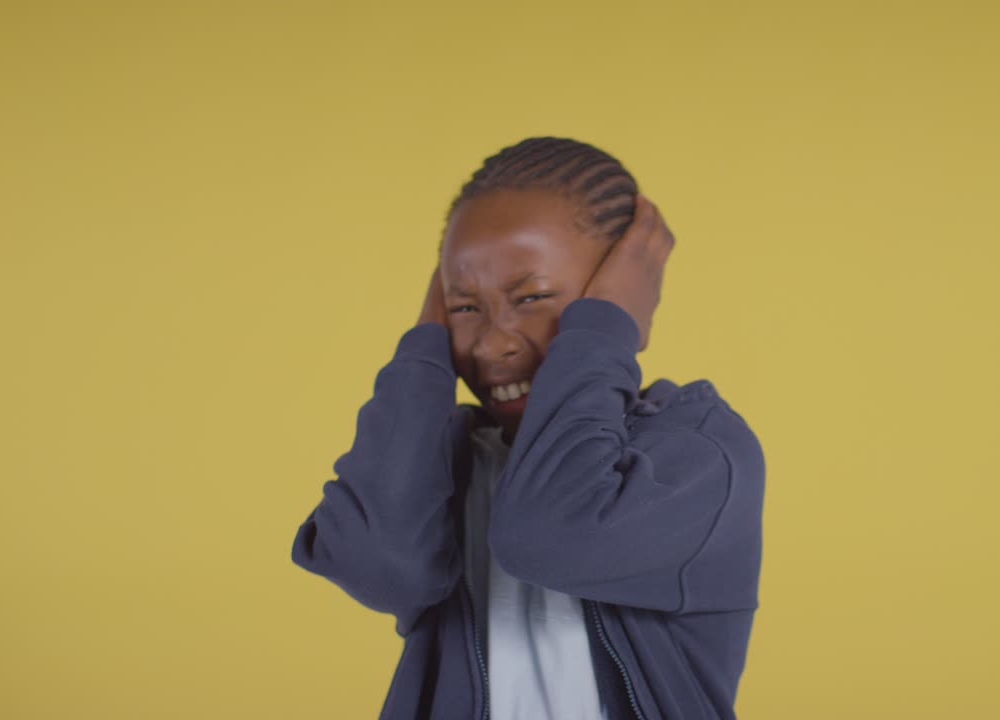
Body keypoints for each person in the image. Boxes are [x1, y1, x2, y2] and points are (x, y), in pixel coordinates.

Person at [290, 137, 766, 719]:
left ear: (620, 301)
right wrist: (423, 348)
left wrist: (602, 332)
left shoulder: (698, 454)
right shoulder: (441, 462)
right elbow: (382, 569)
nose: (492, 342)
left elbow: (551, 533)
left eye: (533, 296)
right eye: (464, 308)